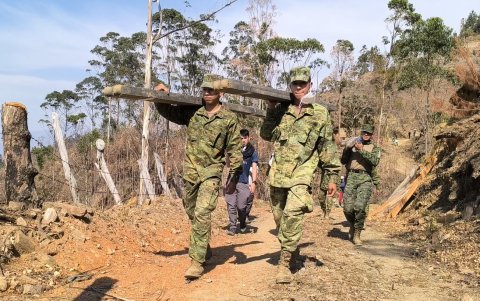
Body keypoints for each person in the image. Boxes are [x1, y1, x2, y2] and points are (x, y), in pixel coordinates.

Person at [154, 75, 243, 280]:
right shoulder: (192, 112)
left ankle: (197, 261)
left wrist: (233, 175)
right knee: (192, 210)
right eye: (204, 89)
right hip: (191, 172)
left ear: (221, 93)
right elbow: (168, 111)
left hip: (212, 172)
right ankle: (203, 246)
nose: (207, 93)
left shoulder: (228, 118)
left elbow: (234, 149)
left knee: (203, 212)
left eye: (211, 90)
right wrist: (161, 97)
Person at [260, 66, 340, 284]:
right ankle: (292, 248)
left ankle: (283, 264)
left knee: (293, 214)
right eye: (295, 84)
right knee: (280, 218)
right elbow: (266, 134)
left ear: (310, 85)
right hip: (278, 173)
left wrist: (331, 177)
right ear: (290, 86)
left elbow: (327, 147)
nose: (298, 87)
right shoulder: (281, 110)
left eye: (302, 84)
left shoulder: (319, 113)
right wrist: (270, 110)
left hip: (302, 172)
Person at [341, 124, 381, 245]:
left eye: (368, 133)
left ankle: (357, 232)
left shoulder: (375, 148)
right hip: (351, 177)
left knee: (360, 207)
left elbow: (374, 161)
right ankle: (353, 224)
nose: (366, 135)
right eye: (364, 133)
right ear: (361, 133)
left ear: (371, 135)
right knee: (347, 208)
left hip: (365, 179)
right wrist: (347, 149)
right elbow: (343, 161)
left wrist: (362, 150)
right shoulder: (353, 144)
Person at [224, 128, 258, 235]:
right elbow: (228, 164)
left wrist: (253, 182)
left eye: (244, 138)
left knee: (241, 206)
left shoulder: (252, 152)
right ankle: (233, 226)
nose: (242, 140)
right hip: (232, 180)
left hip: (243, 181)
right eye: (240, 138)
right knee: (231, 204)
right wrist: (228, 153)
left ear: (248, 138)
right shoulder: (234, 150)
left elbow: (254, 167)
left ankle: (242, 222)